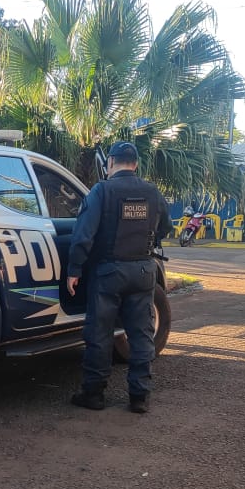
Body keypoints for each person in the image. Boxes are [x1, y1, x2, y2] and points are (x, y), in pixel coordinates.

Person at [66, 141, 171, 413]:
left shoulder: (102, 191)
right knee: (141, 335)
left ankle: (94, 394)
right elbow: (166, 227)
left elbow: (83, 235)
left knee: (100, 333)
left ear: (110, 162)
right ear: (135, 164)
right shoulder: (152, 192)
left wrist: (75, 269)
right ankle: (139, 397)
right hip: (144, 271)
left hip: (109, 272)